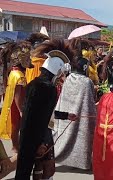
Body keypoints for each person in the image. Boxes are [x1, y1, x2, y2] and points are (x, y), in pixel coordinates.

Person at [15, 45, 77, 180]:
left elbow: (42, 113)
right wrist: (42, 142)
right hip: (40, 136)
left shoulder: (33, 84)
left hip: (26, 134)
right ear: (56, 71)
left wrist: (66, 115)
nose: (61, 76)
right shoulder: (49, 89)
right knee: (47, 169)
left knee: (24, 170)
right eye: (61, 73)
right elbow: (42, 118)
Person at [53, 39, 97, 170]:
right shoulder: (86, 81)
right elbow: (89, 103)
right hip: (81, 117)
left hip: (67, 113)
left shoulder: (68, 79)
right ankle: (82, 162)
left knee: (68, 134)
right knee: (82, 137)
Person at [0, 41, 33, 154]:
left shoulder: (13, 72)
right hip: (16, 104)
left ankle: (15, 145)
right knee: (16, 126)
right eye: (28, 58)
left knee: (15, 125)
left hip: (12, 103)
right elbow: (18, 95)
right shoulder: (19, 75)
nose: (30, 60)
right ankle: (15, 146)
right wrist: (21, 110)